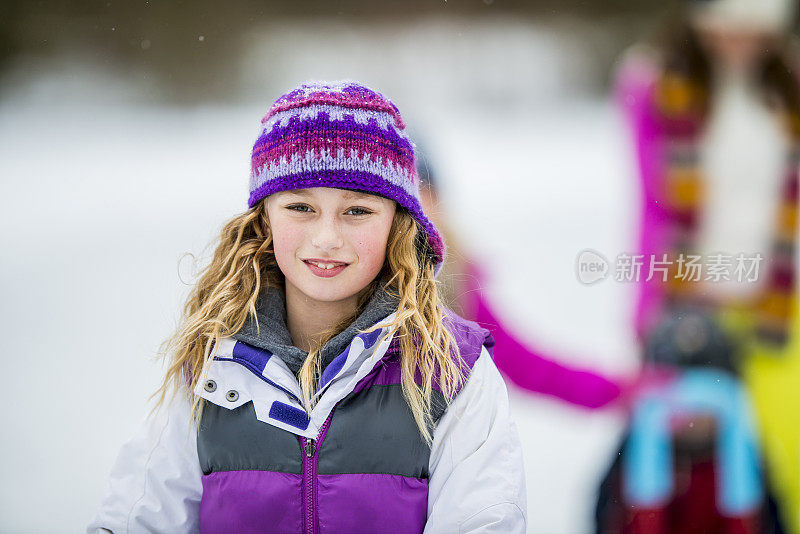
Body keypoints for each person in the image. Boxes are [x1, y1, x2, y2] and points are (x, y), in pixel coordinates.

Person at [85, 81, 527, 533]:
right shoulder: (210, 369)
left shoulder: (451, 370)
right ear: (264, 217)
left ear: (397, 222)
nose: (327, 238)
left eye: (357, 210)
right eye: (300, 207)